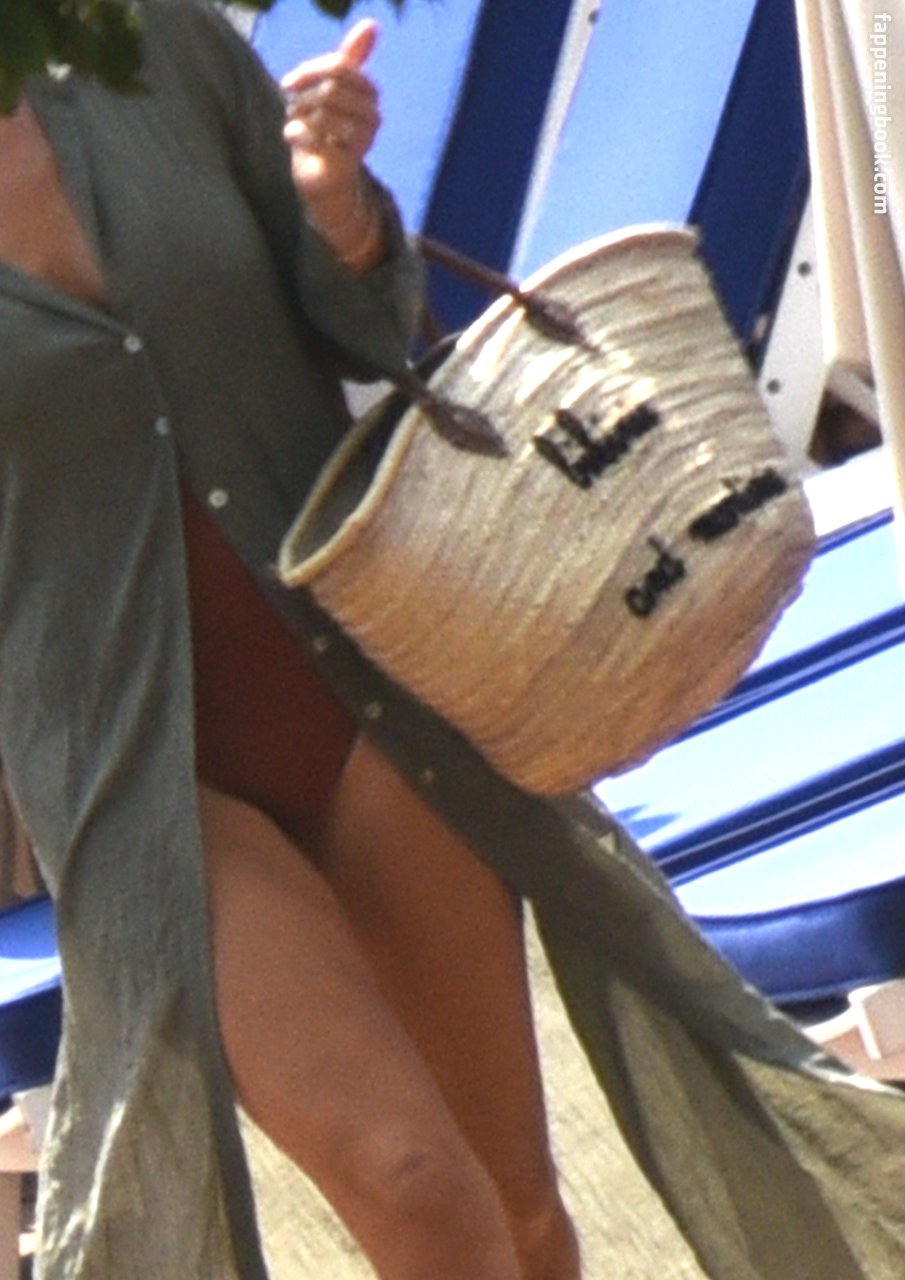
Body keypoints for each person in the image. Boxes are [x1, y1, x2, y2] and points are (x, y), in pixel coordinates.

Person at [4, 4, 905, 1280]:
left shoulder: (146, 48)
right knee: (415, 1185)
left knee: (517, 1209)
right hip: (145, 785)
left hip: (365, 688)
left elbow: (362, 324)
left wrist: (336, 212)